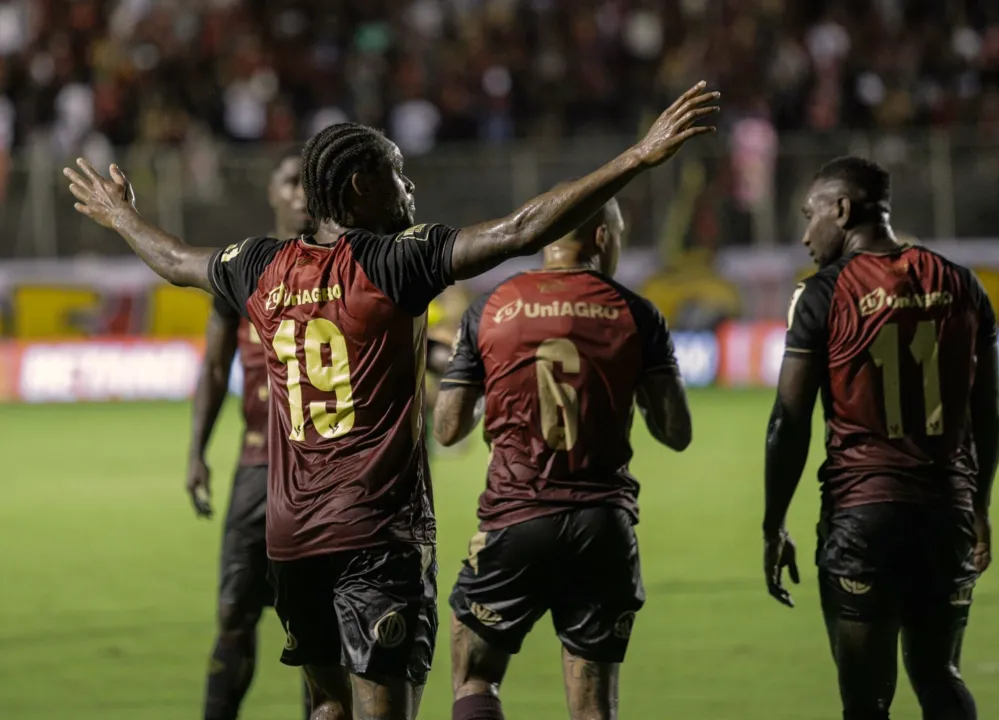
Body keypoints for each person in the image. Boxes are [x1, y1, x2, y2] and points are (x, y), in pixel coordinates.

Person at [62, 81, 719, 720]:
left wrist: (122, 215)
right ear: (360, 188)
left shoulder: (257, 265)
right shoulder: (394, 263)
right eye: (397, 173)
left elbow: (175, 260)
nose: (410, 188)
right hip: (376, 536)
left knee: (324, 704)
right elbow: (521, 230)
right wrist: (637, 156)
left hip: (290, 541)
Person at [761, 156, 999, 720]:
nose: (804, 235)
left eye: (810, 216)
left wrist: (774, 525)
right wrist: (980, 505)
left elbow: (788, 422)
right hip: (947, 512)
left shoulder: (824, 294)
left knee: (866, 701)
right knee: (940, 676)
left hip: (862, 518)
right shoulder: (963, 283)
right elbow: (986, 412)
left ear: (842, 210)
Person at [432, 197, 692, 720]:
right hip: (602, 525)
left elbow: (447, 427)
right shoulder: (636, 312)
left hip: (516, 518)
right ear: (601, 237)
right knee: (593, 706)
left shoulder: (492, 307)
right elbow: (676, 431)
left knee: (475, 676)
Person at [185, 148, 314, 720]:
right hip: (257, 467)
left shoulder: (345, 265)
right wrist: (196, 452)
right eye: (290, 181)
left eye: (310, 182)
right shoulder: (242, 269)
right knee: (235, 611)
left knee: (320, 625)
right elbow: (214, 368)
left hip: (322, 473)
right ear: (271, 191)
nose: (302, 193)